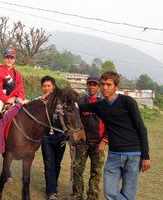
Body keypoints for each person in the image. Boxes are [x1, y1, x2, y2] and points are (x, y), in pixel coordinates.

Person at [79, 71, 151, 200]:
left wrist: (145, 156)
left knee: (129, 194)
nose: (105, 87)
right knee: (110, 193)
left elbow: (141, 128)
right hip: (114, 155)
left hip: (133, 155)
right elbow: (80, 106)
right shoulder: (99, 106)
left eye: (109, 84)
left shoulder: (127, 102)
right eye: (102, 84)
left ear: (116, 87)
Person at [69, 76, 108, 200]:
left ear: (99, 87)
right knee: (77, 170)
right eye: (89, 84)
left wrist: (104, 141)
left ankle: (92, 196)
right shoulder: (81, 102)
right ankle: (77, 194)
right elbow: (75, 121)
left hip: (98, 143)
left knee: (95, 172)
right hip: (82, 142)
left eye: (94, 85)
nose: (91, 87)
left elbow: (110, 124)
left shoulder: (104, 103)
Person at [40, 75, 66, 200]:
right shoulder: (41, 101)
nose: (46, 88)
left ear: (54, 87)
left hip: (61, 136)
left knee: (57, 164)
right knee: (49, 164)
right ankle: (51, 192)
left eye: (48, 86)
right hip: (46, 137)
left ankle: (53, 186)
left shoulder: (61, 99)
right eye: (44, 86)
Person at [0, 48, 25, 112]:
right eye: (7, 58)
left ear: (14, 60)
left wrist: (20, 98)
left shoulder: (18, 74)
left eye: (11, 58)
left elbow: (20, 89)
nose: (9, 60)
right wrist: (6, 100)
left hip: (14, 99)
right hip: (1, 98)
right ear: (3, 58)